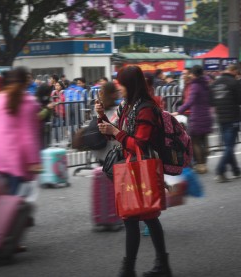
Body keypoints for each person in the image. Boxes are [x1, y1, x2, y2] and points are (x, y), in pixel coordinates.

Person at [97, 66, 172, 277]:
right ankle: (161, 266)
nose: (119, 88)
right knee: (145, 217)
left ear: (130, 85)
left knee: (135, 218)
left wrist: (115, 132)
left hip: (141, 166)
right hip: (130, 166)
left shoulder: (146, 108)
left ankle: (129, 269)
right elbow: (111, 133)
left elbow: (139, 143)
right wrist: (101, 117)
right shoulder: (127, 106)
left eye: (121, 84)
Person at [0, 67, 41, 195]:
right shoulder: (28, 102)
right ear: (26, 82)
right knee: (12, 204)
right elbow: (28, 135)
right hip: (16, 160)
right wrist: (34, 161)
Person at [172, 65, 212, 174]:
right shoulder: (206, 83)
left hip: (197, 117)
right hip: (207, 116)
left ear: (193, 74)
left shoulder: (195, 85)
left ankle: (201, 165)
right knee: (202, 140)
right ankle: (203, 163)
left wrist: (178, 111)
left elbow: (190, 101)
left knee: (195, 142)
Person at [211, 64, 241, 183]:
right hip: (233, 118)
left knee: (228, 146)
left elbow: (211, 101)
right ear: (234, 71)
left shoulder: (215, 83)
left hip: (221, 118)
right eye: (237, 73)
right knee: (230, 146)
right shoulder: (234, 82)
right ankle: (220, 170)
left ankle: (236, 170)